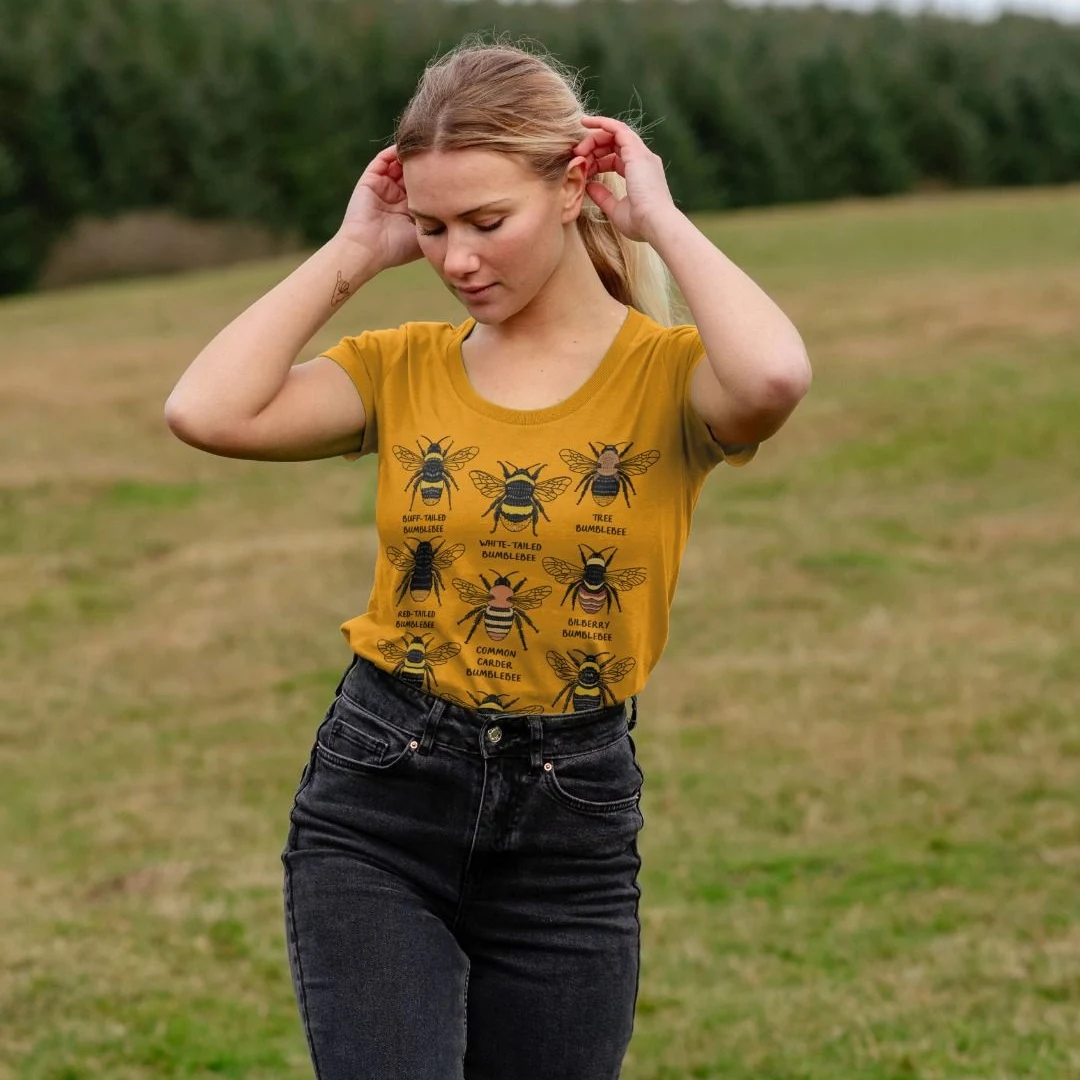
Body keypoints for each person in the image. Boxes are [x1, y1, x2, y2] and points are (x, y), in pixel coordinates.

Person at [164, 37, 810, 1080]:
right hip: (380, 798)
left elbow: (776, 376)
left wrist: (659, 219)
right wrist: (354, 252)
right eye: (432, 228)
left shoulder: (673, 377)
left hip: (571, 825)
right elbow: (205, 410)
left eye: (485, 221)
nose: (457, 259)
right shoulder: (401, 367)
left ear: (572, 191)